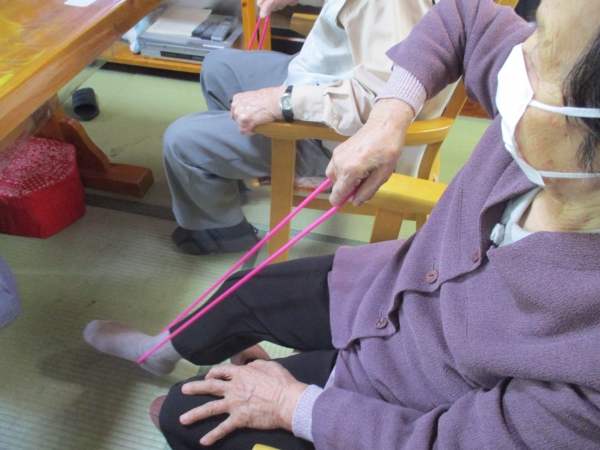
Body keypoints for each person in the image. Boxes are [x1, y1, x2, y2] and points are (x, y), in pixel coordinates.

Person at [84, 0, 600, 448]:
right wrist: (389, 116)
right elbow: (465, 18)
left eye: (541, 51)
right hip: (389, 286)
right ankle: (160, 352)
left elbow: (451, 441)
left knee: (185, 415)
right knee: (240, 292)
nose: (516, 55)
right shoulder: (550, 126)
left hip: (397, 396)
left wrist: (291, 405)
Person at [164, 0, 451, 255]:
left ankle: (224, 234)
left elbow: (384, 101)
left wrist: (282, 102)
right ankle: (226, 182)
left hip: (342, 138)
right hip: (328, 77)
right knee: (218, 66)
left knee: (181, 143)